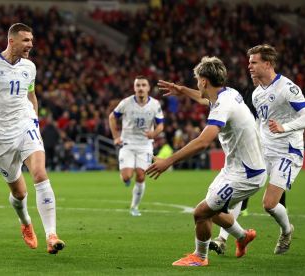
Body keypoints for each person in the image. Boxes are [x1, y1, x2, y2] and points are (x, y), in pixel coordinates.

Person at [147, 56, 267, 267]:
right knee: (214, 210)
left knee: (201, 213)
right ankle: (243, 237)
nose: (196, 84)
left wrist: (168, 161)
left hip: (246, 174)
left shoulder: (223, 105)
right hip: (236, 168)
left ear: (204, 81)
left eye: (197, 80)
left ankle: (200, 257)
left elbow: (203, 141)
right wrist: (182, 89)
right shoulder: (229, 93)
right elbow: (204, 99)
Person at [0, 23, 65, 254]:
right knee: (19, 193)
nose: (30, 45)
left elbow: (31, 95)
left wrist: (34, 118)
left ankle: (51, 235)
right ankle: (25, 222)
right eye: (26, 40)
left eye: (31, 40)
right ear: (12, 41)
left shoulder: (30, 67)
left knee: (40, 173)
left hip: (25, 125)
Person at [248, 44, 305, 254]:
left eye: (253, 62)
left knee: (268, 204)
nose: (249, 66)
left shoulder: (287, 88)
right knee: (241, 187)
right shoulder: (257, 93)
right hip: (265, 152)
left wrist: (285, 127)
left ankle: (286, 231)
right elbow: (260, 122)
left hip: (287, 152)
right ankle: (224, 237)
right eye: (249, 62)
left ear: (267, 64)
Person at [108, 75, 164, 216]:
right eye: (138, 85)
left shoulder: (155, 104)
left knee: (140, 176)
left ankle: (134, 207)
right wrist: (116, 137)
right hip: (127, 143)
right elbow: (112, 117)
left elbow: (161, 125)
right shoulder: (126, 103)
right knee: (127, 176)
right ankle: (126, 179)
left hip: (145, 145)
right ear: (134, 88)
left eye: (143, 85)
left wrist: (154, 133)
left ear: (148, 88)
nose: (140, 88)